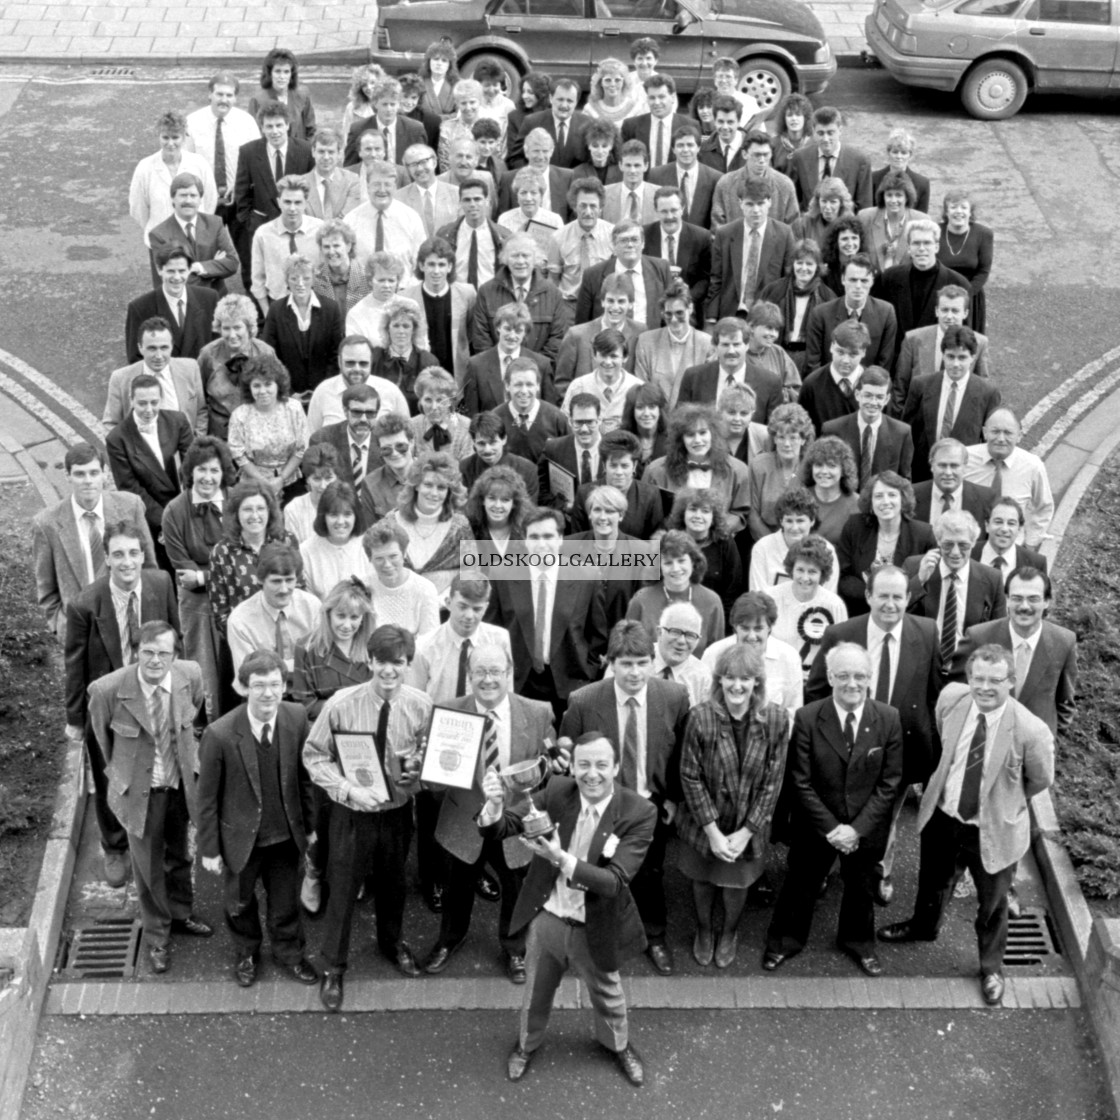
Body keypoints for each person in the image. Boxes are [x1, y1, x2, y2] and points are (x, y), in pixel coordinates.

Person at [878, 644, 1054, 1005]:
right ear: (968, 679)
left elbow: (1039, 781)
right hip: (945, 815)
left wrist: (1004, 805)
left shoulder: (1030, 731)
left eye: (995, 680)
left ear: (1011, 681)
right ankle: (923, 927)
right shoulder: (952, 699)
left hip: (994, 829)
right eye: (978, 679)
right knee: (933, 881)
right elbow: (945, 742)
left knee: (992, 904)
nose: (985, 688)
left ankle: (991, 968)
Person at [479, 732, 656, 1086]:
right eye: (584, 764)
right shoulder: (559, 791)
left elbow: (614, 882)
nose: (592, 774)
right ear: (572, 766)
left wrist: (559, 858)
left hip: (597, 924)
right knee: (535, 994)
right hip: (549, 921)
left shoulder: (639, 811)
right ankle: (526, 1045)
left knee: (609, 995)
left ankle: (618, 1045)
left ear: (616, 767)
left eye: (602, 765)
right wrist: (495, 806)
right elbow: (503, 827)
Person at [304, 624, 433, 1009]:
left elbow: (429, 755)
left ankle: (391, 945)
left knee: (394, 885)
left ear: (408, 664)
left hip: (396, 812)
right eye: (382, 662)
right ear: (369, 661)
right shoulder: (342, 704)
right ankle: (333, 966)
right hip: (352, 813)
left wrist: (417, 773)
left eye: (398, 663)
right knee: (342, 887)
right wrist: (348, 789)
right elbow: (314, 755)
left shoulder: (420, 705)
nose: (389, 671)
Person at [763, 642, 902, 975]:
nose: (851, 683)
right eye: (843, 676)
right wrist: (832, 828)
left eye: (859, 676)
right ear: (829, 676)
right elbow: (799, 782)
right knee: (801, 884)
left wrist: (856, 829)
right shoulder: (809, 718)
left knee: (861, 888)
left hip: (865, 828)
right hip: (816, 825)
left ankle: (858, 943)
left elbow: (890, 783)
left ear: (870, 677)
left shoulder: (888, 718)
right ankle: (785, 941)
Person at [421, 639, 556, 981]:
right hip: (464, 817)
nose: (488, 679)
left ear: (509, 673)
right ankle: (449, 939)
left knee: (516, 889)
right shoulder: (449, 712)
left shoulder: (538, 712)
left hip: (515, 819)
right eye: (480, 671)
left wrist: (555, 763)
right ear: (469, 675)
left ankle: (514, 949)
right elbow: (434, 783)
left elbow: (547, 767)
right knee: (456, 887)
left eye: (496, 671)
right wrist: (428, 764)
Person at [807, 564, 942, 904]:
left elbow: (934, 692)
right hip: (844, 746)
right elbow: (818, 690)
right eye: (883, 595)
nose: (890, 604)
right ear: (868, 595)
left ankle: (879, 871)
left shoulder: (926, 632)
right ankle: (823, 868)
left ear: (909, 598)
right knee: (838, 808)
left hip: (900, 747)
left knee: (887, 816)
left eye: (898, 597)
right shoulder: (841, 633)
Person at [559, 621, 688, 976]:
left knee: (650, 874)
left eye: (642, 662)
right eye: (626, 663)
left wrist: (673, 800)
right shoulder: (584, 701)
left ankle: (654, 936)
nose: (634, 672)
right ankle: (591, 938)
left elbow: (678, 755)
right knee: (597, 873)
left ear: (653, 660)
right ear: (611, 663)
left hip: (649, 805)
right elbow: (569, 755)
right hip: (601, 807)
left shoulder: (673, 697)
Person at [87, 620, 210, 974]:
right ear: (136, 650)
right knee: (147, 869)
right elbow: (104, 744)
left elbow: (194, 715)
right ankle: (157, 936)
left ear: (175, 654)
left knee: (180, 854)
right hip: (139, 794)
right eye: (148, 652)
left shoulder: (190, 675)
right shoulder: (107, 690)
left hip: (180, 786)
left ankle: (181, 914)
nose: (156, 660)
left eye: (164, 653)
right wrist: (124, 780)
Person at [64, 522, 180, 887]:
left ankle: (159, 835)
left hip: (157, 692)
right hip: (113, 702)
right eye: (118, 554)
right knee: (108, 771)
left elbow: (176, 637)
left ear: (143, 555)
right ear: (107, 559)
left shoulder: (161, 583)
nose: (126, 561)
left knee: (160, 764)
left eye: (133, 553)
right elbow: (75, 663)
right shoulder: (85, 604)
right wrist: (76, 719)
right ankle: (115, 845)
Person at [197, 648, 318, 988]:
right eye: (259, 685)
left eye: (275, 684)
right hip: (241, 841)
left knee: (285, 904)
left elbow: (305, 779)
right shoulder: (220, 734)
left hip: (284, 837)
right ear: (244, 687)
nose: (268, 693)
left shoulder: (295, 718)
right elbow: (206, 798)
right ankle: (246, 952)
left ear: (284, 686)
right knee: (239, 902)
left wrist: (310, 828)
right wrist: (209, 849)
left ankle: (289, 953)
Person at [677, 643, 790, 968]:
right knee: (701, 880)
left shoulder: (776, 720)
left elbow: (773, 783)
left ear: (758, 682)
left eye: (745, 678)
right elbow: (690, 776)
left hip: (748, 824)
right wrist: (712, 832)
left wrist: (745, 833)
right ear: (719, 681)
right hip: (703, 823)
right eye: (729, 677)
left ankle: (728, 932)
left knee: (736, 883)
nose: (737, 685)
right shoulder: (700, 717)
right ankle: (703, 930)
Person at [289, 577, 379, 912]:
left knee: (362, 813)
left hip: (365, 740)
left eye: (355, 618)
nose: (347, 624)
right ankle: (313, 871)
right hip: (324, 739)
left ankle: (359, 872)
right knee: (321, 814)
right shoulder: (307, 647)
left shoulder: (371, 647)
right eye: (340, 616)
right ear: (327, 614)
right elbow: (302, 701)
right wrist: (340, 709)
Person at [484, 506, 609, 721]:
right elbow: (491, 629)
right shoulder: (502, 573)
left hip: (569, 683)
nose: (541, 544)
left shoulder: (586, 576)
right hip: (519, 681)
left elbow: (597, 633)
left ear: (561, 539)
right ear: (524, 540)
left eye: (548, 536)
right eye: (534, 537)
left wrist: (587, 672)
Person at [33, 443, 156, 643]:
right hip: (83, 634)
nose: (88, 481)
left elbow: (150, 566)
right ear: (68, 476)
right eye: (80, 474)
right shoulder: (47, 524)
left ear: (105, 473)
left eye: (94, 473)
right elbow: (46, 589)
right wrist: (62, 629)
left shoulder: (130, 506)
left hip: (131, 626)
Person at [950, 567, 1077, 738]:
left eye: (1033, 599)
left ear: (1047, 601)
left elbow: (1065, 702)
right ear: (1007, 599)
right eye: (1017, 598)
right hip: (981, 747)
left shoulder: (1064, 641)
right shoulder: (978, 638)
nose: (1024, 606)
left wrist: (1050, 742)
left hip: (1034, 753)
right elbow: (956, 695)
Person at [208, 481, 301, 713]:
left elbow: (299, 586)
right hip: (241, 641)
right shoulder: (222, 551)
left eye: (260, 509)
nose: (255, 516)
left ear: (270, 512)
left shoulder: (287, 540)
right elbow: (219, 607)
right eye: (247, 509)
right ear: (236, 514)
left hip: (285, 635)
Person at [161, 436, 234, 722]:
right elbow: (183, 570)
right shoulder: (174, 512)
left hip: (234, 595)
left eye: (214, 470)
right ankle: (204, 726)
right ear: (190, 472)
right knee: (201, 666)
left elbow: (242, 561)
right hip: (196, 603)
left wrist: (203, 576)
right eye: (201, 470)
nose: (208, 477)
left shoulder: (238, 501)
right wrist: (217, 573)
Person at [105, 375, 194, 569]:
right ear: (131, 400)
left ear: (161, 399)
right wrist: (168, 520)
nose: (149, 410)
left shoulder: (177, 421)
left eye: (154, 403)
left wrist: (188, 509)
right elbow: (131, 489)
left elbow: (193, 466)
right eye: (142, 403)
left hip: (188, 510)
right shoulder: (117, 439)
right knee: (166, 574)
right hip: (154, 520)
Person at [902, 511, 1007, 667]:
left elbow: (998, 632)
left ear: (973, 542)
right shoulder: (915, 566)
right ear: (938, 541)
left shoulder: (992, 578)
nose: (955, 552)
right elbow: (896, 616)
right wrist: (920, 580)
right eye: (948, 544)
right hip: (921, 665)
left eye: (963, 545)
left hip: (967, 670)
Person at [233, 101, 314, 293]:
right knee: (261, 272)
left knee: (298, 272)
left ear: (287, 125)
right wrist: (248, 221)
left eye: (279, 125)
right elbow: (241, 190)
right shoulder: (249, 152)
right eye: (269, 126)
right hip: (262, 224)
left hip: (296, 224)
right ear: (261, 128)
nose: (275, 131)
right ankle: (261, 316)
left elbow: (310, 189)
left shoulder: (304, 150)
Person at [902, 326, 1001, 483]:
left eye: (962, 357)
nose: (955, 364)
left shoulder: (987, 393)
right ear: (943, 355)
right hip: (923, 477)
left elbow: (989, 441)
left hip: (965, 477)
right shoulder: (920, 385)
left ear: (973, 357)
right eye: (950, 356)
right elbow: (908, 434)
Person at [371, 449, 472, 597]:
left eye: (441, 487)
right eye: (428, 485)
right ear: (416, 485)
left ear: (450, 491)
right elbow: (374, 570)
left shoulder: (460, 527)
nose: (434, 493)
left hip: (444, 611)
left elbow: (471, 574)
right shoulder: (390, 523)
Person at [835, 469, 936, 616]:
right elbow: (843, 577)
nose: (885, 502)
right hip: (861, 612)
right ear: (871, 502)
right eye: (878, 496)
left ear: (903, 500)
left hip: (907, 615)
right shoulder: (854, 526)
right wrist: (873, 594)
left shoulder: (923, 534)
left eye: (892, 495)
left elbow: (929, 585)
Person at [227, 542, 321, 693]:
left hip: (311, 691)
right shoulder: (240, 620)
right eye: (276, 581)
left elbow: (321, 664)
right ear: (260, 579)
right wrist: (299, 665)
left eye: (289, 580)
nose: (284, 589)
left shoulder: (313, 607)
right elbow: (247, 677)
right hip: (263, 695)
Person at [644, 404, 751, 535]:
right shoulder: (656, 471)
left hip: (717, 542)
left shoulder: (738, 471)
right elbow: (647, 514)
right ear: (680, 439)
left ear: (713, 434)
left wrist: (711, 532)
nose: (698, 440)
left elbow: (739, 513)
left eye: (703, 433)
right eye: (690, 435)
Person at [873, 220, 970, 362]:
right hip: (895, 362)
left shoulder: (959, 284)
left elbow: (968, 335)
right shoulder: (889, 279)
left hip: (938, 364)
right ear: (908, 248)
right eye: (916, 243)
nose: (922, 248)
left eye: (927, 243)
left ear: (936, 247)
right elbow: (878, 323)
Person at [701, 591, 804, 724]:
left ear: (769, 628)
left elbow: (792, 713)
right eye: (745, 628)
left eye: (758, 629)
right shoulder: (714, 654)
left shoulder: (789, 657)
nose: (751, 636)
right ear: (734, 627)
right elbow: (704, 704)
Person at [471, 233, 574, 364]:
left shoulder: (553, 294)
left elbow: (557, 338)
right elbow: (481, 338)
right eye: (514, 255)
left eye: (525, 255)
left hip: (536, 377)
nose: (520, 261)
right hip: (496, 372)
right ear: (505, 259)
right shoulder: (486, 292)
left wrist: (531, 369)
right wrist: (499, 367)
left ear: (535, 259)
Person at [704, 179, 795, 324]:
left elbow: (788, 282)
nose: (756, 210)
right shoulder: (725, 233)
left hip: (766, 315)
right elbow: (716, 279)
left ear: (769, 202)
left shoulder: (784, 234)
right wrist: (711, 317)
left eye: (761, 204)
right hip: (731, 313)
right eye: (749, 204)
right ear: (740, 203)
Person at [892, 283, 991, 415]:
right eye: (945, 310)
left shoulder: (980, 343)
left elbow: (982, 387)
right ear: (936, 311)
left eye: (955, 311)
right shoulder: (913, 339)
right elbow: (900, 386)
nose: (949, 316)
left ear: (965, 313)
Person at [964, 410, 1055, 550]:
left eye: (1008, 433)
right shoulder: (965, 458)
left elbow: (1043, 507)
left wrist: (1030, 544)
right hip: (968, 546)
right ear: (984, 432)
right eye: (995, 431)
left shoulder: (1033, 466)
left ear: (1018, 435)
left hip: (1010, 548)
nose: (1001, 438)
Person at [105, 317, 209, 439]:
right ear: (140, 348)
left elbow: (201, 411)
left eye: (164, 347)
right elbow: (111, 423)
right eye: (152, 348)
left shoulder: (190, 368)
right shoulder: (120, 378)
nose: (159, 356)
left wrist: (194, 446)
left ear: (171, 346)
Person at [129, 110, 218, 250]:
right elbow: (137, 207)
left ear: (184, 137)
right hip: (161, 243)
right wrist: (156, 228)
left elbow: (210, 200)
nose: (170, 143)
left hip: (195, 243)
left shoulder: (199, 164)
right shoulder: (145, 167)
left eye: (175, 137)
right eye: (165, 137)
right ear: (159, 137)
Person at [626, 530, 725, 655]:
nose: (675, 568)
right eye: (668, 562)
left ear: (693, 562)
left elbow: (716, 655)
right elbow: (627, 650)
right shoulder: (641, 600)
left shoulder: (712, 601)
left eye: (681, 561)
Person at [185, 70, 262, 229]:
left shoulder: (247, 123)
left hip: (238, 200)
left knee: (239, 251)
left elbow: (257, 162)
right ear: (210, 95)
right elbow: (186, 164)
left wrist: (242, 185)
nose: (224, 100)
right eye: (219, 94)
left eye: (229, 95)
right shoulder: (192, 123)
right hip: (205, 201)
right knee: (207, 251)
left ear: (235, 98)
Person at [260, 254, 344, 398]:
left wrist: (323, 391)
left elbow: (336, 354)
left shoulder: (331, 308)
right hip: (288, 392)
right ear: (287, 280)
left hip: (324, 391)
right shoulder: (276, 310)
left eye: (306, 278)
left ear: (313, 279)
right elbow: (270, 356)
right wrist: (288, 392)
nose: (300, 283)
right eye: (294, 278)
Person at [227, 353, 310, 495]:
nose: (262, 391)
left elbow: (301, 449)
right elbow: (239, 454)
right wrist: (264, 482)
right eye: (256, 385)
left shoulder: (294, 408)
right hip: (253, 484)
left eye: (268, 384)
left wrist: (281, 479)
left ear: (278, 384)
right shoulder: (239, 415)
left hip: (290, 481)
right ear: (249, 387)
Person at [769, 535, 848, 681]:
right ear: (791, 569)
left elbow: (841, 651)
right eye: (800, 570)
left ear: (822, 574)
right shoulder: (771, 598)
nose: (805, 578)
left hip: (817, 680)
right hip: (778, 678)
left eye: (812, 572)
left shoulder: (834, 605)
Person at [197, 295, 276, 441]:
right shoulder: (208, 354)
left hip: (259, 435)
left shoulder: (265, 352)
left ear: (249, 327)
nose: (232, 335)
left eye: (237, 327)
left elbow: (277, 394)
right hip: (219, 437)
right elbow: (199, 399)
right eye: (226, 328)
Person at [125, 246, 220, 365]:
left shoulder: (210, 298)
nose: (177, 277)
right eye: (170, 271)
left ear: (189, 270)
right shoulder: (140, 308)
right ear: (159, 270)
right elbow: (136, 360)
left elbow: (218, 347)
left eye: (182, 271)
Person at [676, 317, 784, 422]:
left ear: (747, 345)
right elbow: (680, 422)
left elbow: (773, 429)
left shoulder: (770, 383)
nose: (731, 351)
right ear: (715, 346)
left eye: (736, 344)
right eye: (725, 345)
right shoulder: (693, 377)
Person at [804, 253, 897, 375]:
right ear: (843, 279)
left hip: (867, 388)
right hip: (828, 386)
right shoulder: (821, 314)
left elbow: (884, 363)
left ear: (872, 281)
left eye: (864, 280)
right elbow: (813, 364)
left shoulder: (886, 313)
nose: (858, 286)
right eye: (853, 280)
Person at [822, 366, 913, 489]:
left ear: (887, 399)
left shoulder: (901, 433)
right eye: (868, 395)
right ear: (858, 395)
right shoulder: (833, 430)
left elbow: (904, 482)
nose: (873, 402)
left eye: (879, 397)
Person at [555, 277, 644, 400]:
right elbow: (562, 385)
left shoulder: (641, 334)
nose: (615, 307)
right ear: (602, 302)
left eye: (621, 301)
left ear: (631, 304)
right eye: (610, 301)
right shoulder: (576, 336)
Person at [147, 172, 239, 292]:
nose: (188, 200)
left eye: (193, 195)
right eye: (183, 195)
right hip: (184, 304)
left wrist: (197, 267)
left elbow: (232, 263)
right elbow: (173, 280)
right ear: (173, 199)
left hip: (217, 300)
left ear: (200, 200)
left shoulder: (215, 223)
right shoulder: (159, 235)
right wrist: (213, 271)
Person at [574, 220, 672, 331]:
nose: (630, 245)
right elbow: (582, 324)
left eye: (635, 240)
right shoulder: (592, 275)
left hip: (649, 342)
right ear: (614, 245)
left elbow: (670, 313)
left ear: (643, 243)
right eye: (624, 240)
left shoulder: (661, 269)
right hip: (608, 343)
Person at [758, 240, 837, 375]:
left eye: (809, 264)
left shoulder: (827, 297)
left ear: (817, 267)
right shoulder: (774, 290)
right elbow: (757, 322)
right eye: (799, 263)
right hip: (776, 354)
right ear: (793, 264)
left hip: (809, 359)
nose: (804, 268)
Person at [460, 303, 555, 415]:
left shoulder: (542, 365)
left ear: (525, 333)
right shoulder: (476, 365)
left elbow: (548, 414)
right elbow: (472, 415)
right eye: (507, 329)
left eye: (518, 331)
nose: (512, 335)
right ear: (498, 327)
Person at [665, 488, 743, 617]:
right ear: (682, 513)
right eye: (692, 509)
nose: (698, 516)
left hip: (714, 617)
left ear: (713, 517)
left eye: (705, 511)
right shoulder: (668, 541)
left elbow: (733, 591)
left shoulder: (725, 543)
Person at [250, 179, 324, 314]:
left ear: (306, 203)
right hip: (278, 305)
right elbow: (257, 278)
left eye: (298, 202)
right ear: (279, 202)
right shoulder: (263, 234)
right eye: (287, 202)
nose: (292, 208)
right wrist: (268, 314)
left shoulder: (320, 230)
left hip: (315, 303)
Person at [633, 282, 712, 408]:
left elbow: (707, 392)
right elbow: (642, 387)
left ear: (690, 309)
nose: (674, 319)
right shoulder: (646, 342)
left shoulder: (707, 344)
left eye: (679, 313)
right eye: (668, 314)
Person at [749, 486, 840, 594]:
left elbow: (828, 598)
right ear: (781, 521)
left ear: (812, 521)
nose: (794, 527)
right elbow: (757, 596)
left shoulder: (827, 550)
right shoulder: (762, 548)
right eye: (789, 521)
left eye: (800, 521)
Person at [748, 402, 815, 541]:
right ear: (774, 438)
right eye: (781, 437)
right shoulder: (759, 465)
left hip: (803, 543)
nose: (787, 444)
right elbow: (752, 514)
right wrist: (773, 545)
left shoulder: (812, 468)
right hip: (765, 542)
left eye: (793, 437)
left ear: (803, 439)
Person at [786, 105, 873, 213]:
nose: (826, 139)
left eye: (830, 133)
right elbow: (794, 203)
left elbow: (865, 209)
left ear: (840, 130)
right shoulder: (800, 158)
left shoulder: (859, 161)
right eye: (820, 133)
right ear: (813, 131)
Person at [350, 159, 428, 275]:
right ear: (367, 186)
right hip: (363, 291)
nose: (382, 190)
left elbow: (422, 263)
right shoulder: (351, 220)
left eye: (387, 185)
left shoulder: (411, 219)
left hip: (402, 289)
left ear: (395, 187)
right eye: (376, 184)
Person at [362, 520, 441, 635]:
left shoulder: (425, 589)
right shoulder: (362, 587)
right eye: (379, 558)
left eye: (393, 556)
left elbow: (429, 642)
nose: (387, 564)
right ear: (370, 559)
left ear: (404, 554)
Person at [797, 320, 869, 440]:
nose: (845, 360)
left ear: (863, 352)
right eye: (840, 352)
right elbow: (802, 431)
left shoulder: (874, 385)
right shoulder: (812, 385)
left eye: (853, 355)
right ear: (831, 347)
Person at [546, 178, 614, 304]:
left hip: (602, 305)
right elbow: (553, 280)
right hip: (569, 304)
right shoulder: (558, 237)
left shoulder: (612, 235)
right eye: (583, 205)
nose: (588, 212)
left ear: (601, 208)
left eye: (593, 206)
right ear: (574, 206)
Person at [299, 481, 372, 598]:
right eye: (333, 515)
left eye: (347, 514)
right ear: (323, 516)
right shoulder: (306, 551)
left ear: (356, 516)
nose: (340, 521)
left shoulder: (368, 545)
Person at [495, 357, 572, 463]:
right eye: (518, 385)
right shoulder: (495, 418)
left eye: (529, 385)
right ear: (507, 386)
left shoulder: (556, 418)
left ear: (538, 386)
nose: (524, 391)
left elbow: (568, 456)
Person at [308, 383, 384, 490]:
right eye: (357, 412)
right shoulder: (322, 439)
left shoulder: (386, 440)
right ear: (345, 411)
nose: (363, 419)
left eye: (370, 413)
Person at [913, 437, 998, 534]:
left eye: (954, 466)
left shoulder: (986, 498)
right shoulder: (911, 495)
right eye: (942, 465)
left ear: (965, 466)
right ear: (932, 465)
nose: (948, 472)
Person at [937, 189, 993, 334]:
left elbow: (983, 271)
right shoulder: (936, 231)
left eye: (963, 207)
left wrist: (965, 296)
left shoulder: (984, 234)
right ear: (946, 211)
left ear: (970, 212)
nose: (958, 211)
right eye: (953, 207)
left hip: (970, 296)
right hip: (940, 295)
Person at [438, 177, 510, 288]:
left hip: (490, 298)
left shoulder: (504, 236)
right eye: (467, 200)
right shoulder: (445, 235)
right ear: (460, 203)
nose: (472, 204)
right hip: (456, 298)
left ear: (487, 201)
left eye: (477, 199)